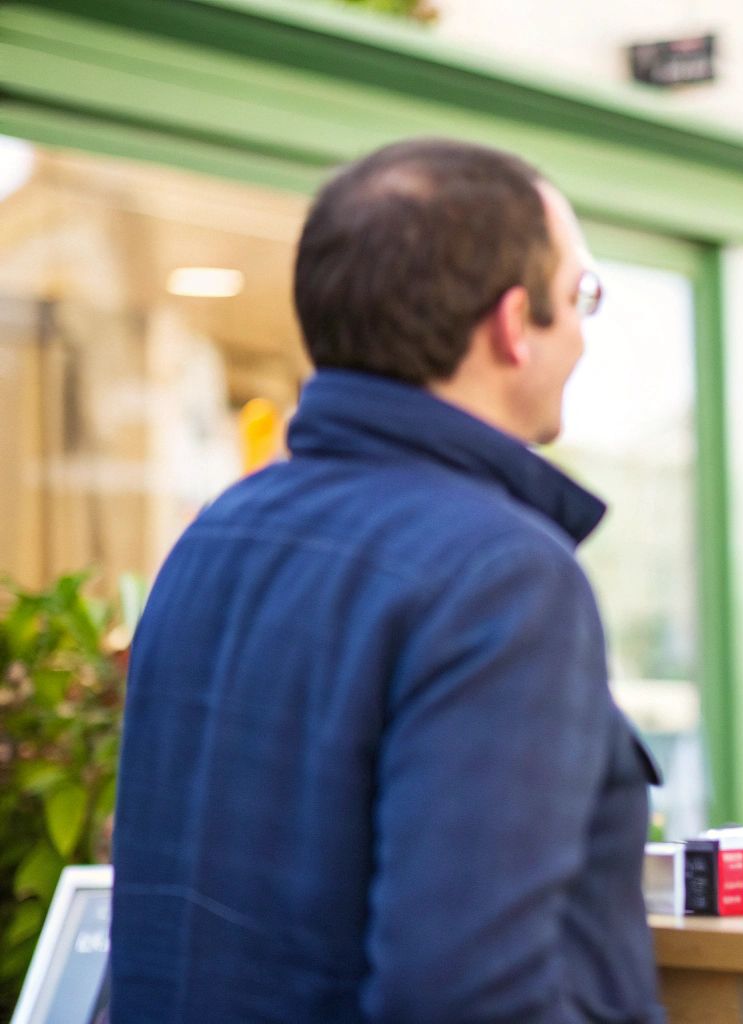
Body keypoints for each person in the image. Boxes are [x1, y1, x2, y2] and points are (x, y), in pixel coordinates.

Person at [111, 138, 664, 1022]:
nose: (586, 338)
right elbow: (467, 997)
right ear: (514, 324)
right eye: (581, 298)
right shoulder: (505, 577)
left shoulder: (214, 534)